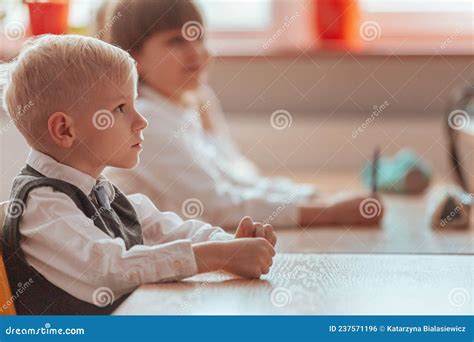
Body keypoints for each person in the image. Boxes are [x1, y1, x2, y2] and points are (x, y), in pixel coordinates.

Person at [1, 34, 276, 315]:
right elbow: (108, 269)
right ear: (64, 130)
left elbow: (165, 229)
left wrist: (230, 244)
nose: (141, 121)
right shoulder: (42, 206)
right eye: (121, 108)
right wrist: (215, 256)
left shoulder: (101, 192)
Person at [103, 0, 384, 229]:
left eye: (198, 36)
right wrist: (329, 212)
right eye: (176, 41)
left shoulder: (192, 103)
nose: (196, 52)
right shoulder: (145, 121)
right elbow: (217, 206)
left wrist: (313, 196)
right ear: (133, 58)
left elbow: (238, 178)